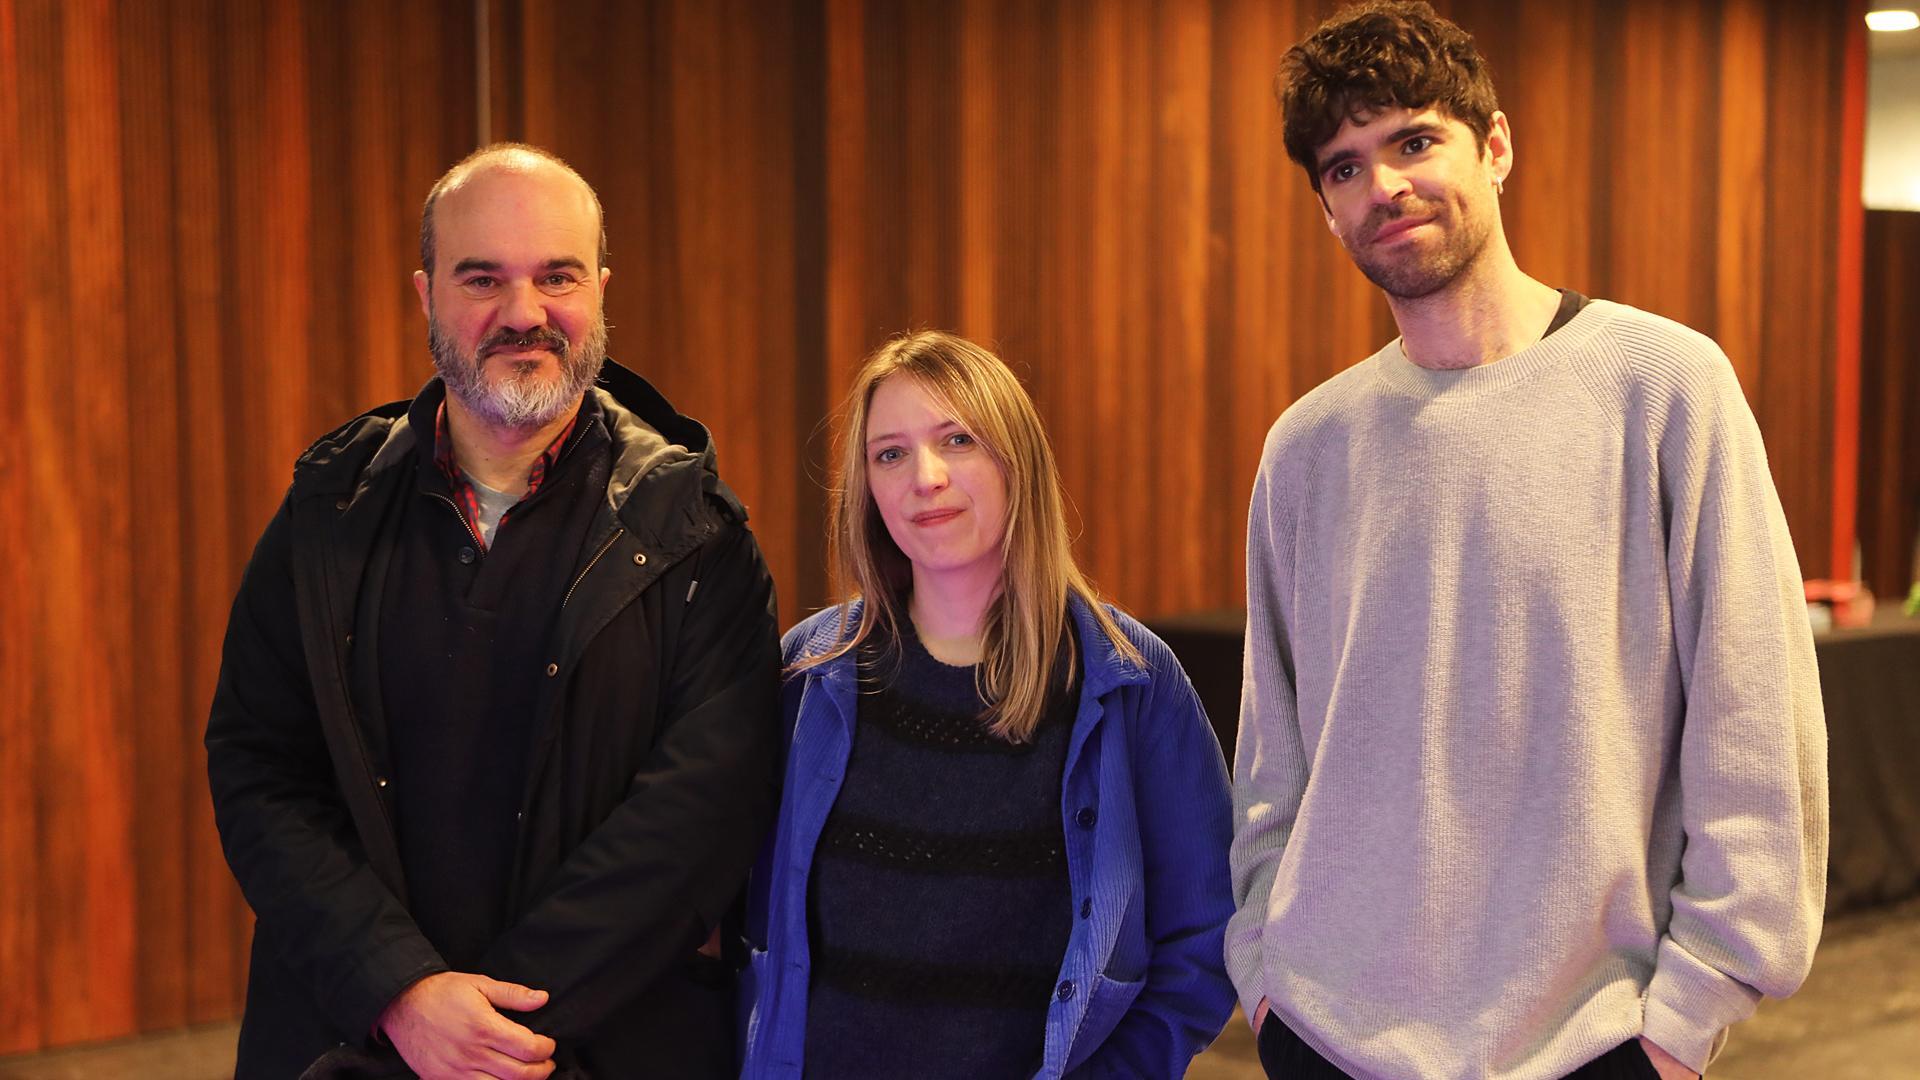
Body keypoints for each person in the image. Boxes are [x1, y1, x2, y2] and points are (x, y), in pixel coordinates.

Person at [1227, 4, 1828, 1079]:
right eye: (1344, 168)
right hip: (1324, 1028)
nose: (1384, 186)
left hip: (1597, 1042)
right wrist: (1266, 972)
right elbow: (1274, 755)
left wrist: (1689, 1013)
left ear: (1495, 147)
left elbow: (1756, 722)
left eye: (1414, 142)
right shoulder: (1307, 447)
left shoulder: (1664, 387)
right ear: (1326, 207)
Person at [205, 143, 781, 1079]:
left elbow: (693, 829)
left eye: (556, 275)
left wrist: (483, 1037)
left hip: (597, 1049)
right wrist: (400, 995)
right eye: (483, 278)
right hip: (350, 1045)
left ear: (599, 289)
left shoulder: (698, 539)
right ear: (426, 294)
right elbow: (261, 772)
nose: (524, 314)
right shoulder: (325, 514)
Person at [739, 331, 1236, 1078]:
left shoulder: (1130, 678)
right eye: (890, 453)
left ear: (1017, 461)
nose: (925, 478)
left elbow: (1202, 939)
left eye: (958, 439)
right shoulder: (811, 673)